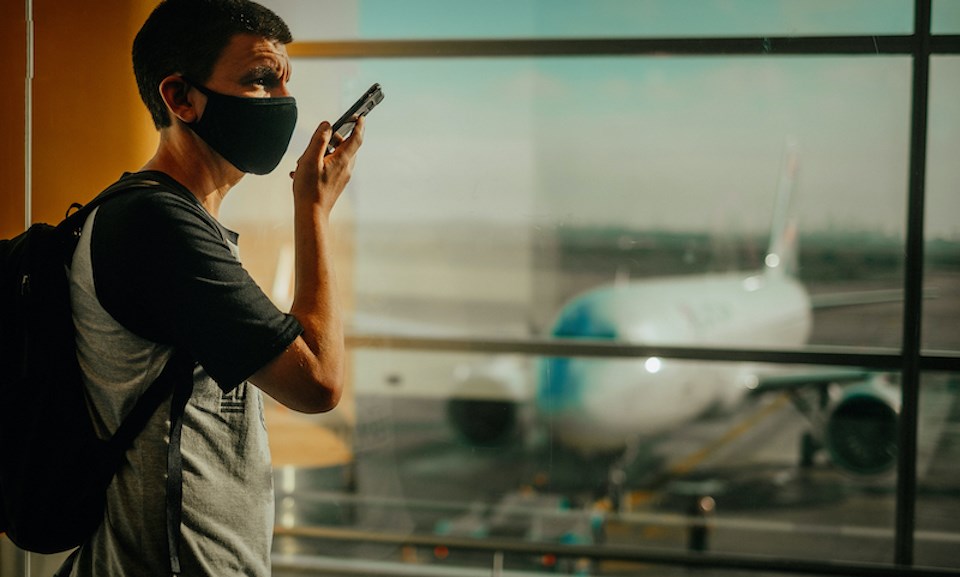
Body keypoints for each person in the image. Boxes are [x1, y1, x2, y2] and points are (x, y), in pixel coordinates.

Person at [61, 0, 362, 574]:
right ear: (181, 99)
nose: (282, 103)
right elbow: (318, 380)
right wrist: (313, 210)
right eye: (258, 80)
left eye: (284, 82)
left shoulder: (169, 218)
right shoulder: (159, 226)